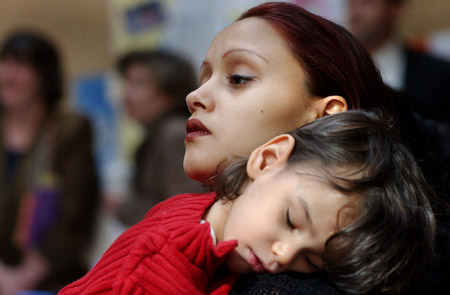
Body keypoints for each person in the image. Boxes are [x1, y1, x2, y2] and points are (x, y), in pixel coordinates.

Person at [65, 2, 449, 294]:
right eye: (205, 77)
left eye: (238, 77)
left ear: (325, 116)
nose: (195, 96)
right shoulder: (182, 235)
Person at [58, 110, 436, 295]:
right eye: (290, 219)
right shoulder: (153, 270)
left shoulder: (207, 226)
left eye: (311, 261)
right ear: (268, 159)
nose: (284, 255)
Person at [0, 31, 99, 294]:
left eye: (20, 65)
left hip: (50, 276)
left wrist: (22, 277)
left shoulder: (70, 129)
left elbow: (75, 213)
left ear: (44, 74)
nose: (7, 76)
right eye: (4, 63)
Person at [112, 50, 201, 226]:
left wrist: (121, 207)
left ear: (169, 94)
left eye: (138, 84)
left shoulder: (174, 134)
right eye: (127, 83)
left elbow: (181, 212)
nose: (126, 95)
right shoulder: (156, 136)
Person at [347, 0, 450, 124]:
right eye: (351, 3)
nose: (355, 13)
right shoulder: (333, 69)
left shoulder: (438, 74)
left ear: (395, 8)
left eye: (367, 3)